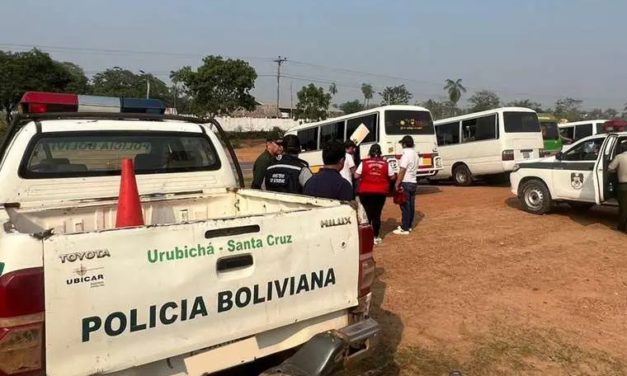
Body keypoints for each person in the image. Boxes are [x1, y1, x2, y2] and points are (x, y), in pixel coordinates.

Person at [355, 144, 395, 245]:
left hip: (365, 192)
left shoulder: (364, 163)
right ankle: (375, 236)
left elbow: (356, 175)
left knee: (367, 213)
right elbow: (392, 177)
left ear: (370, 153)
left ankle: (366, 237)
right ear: (380, 153)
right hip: (380, 192)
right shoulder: (386, 164)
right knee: (377, 214)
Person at [393, 135, 418, 235]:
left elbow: (402, 170)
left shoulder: (405, 155)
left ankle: (405, 227)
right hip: (413, 181)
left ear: (404, 144)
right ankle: (409, 225)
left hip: (406, 181)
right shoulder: (415, 154)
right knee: (411, 205)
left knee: (404, 205)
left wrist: (397, 183)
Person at [608, 140, 627, 232]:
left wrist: (617, 171)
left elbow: (610, 168)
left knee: (624, 208)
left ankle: (622, 227)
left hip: (623, 186)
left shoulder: (619, 157)